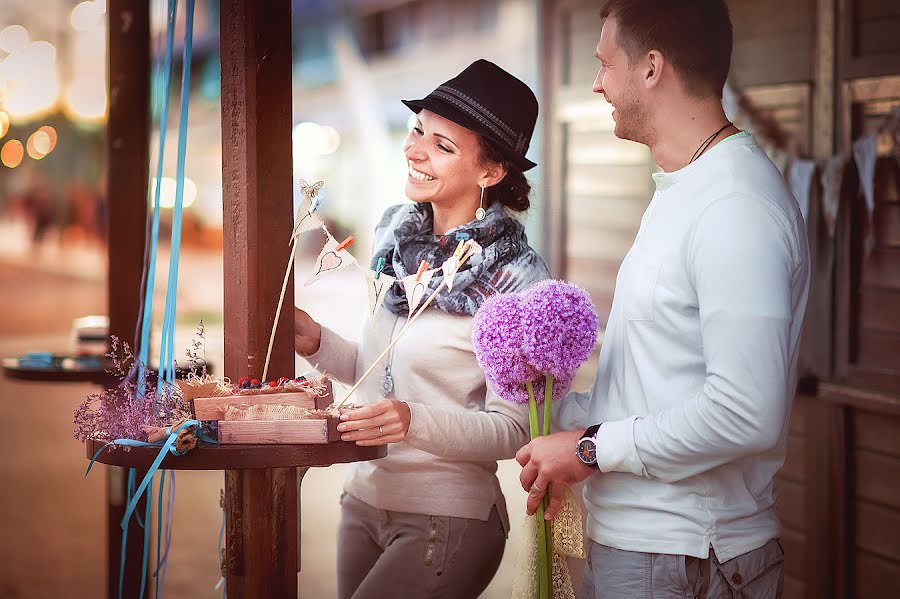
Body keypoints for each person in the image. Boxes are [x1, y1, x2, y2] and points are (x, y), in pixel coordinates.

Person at [515, 1, 810, 597]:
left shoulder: (734, 207)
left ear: (651, 67)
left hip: (685, 558)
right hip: (649, 553)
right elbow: (648, 392)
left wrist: (591, 449)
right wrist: (534, 409)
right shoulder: (685, 188)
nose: (596, 84)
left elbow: (745, 412)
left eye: (604, 63)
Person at [294, 59, 549, 598]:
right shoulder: (394, 231)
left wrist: (411, 421)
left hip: (447, 519)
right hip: (362, 499)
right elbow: (380, 371)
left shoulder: (519, 281)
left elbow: (514, 430)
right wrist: (317, 342)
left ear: (491, 171)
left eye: (442, 145)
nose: (414, 150)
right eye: (417, 131)